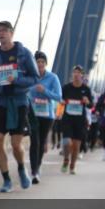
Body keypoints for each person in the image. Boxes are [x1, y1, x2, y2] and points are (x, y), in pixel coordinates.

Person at [0, 20, 39, 193]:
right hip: (0, 101)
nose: (1, 34)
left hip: (19, 101)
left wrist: (18, 80)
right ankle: (6, 179)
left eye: (4, 30)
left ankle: (21, 168)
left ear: (11, 33)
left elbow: (35, 79)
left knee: (15, 144)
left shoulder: (24, 53)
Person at [29, 51, 62, 182]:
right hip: (33, 113)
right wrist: (32, 91)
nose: (40, 64)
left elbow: (59, 97)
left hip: (47, 115)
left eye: (42, 62)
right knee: (34, 141)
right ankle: (34, 171)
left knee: (41, 142)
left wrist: (45, 91)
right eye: (38, 62)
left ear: (46, 64)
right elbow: (24, 91)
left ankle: (38, 165)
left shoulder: (53, 78)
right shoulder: (30, 76)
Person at [60, 66, 93, 175]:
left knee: (76, 145)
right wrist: (62, 102)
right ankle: (66, 159)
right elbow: (60, 99)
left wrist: (87, 101)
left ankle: (72, 166)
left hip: (80, 120)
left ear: (82, 75)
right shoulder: (66, 87)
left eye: (78, 73)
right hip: (67, 118)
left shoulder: (86, 89)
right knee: (67, 142)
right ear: (72, 74)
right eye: (74, 72)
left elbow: (91, 106)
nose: (76, 74)